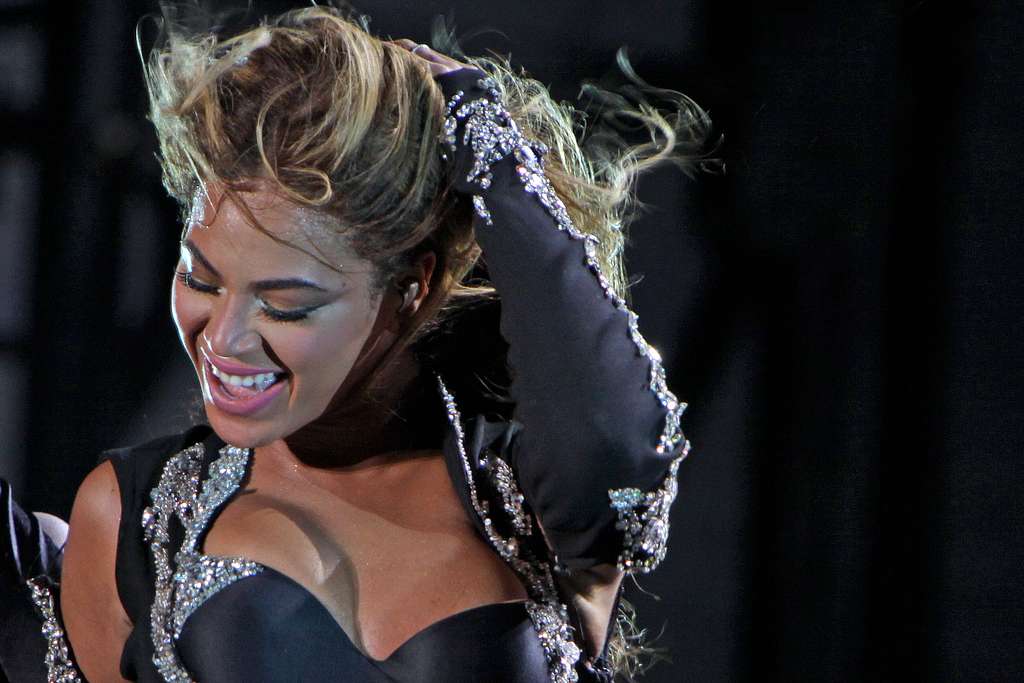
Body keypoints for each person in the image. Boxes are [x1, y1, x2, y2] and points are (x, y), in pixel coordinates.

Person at [0, 6, 710, 681]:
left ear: (411, 288)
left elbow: (612, 446)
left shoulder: (522, 506)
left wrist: (488, 148)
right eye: (202, 280)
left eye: (286, 304)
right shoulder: (137, 522)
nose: (225, 338)